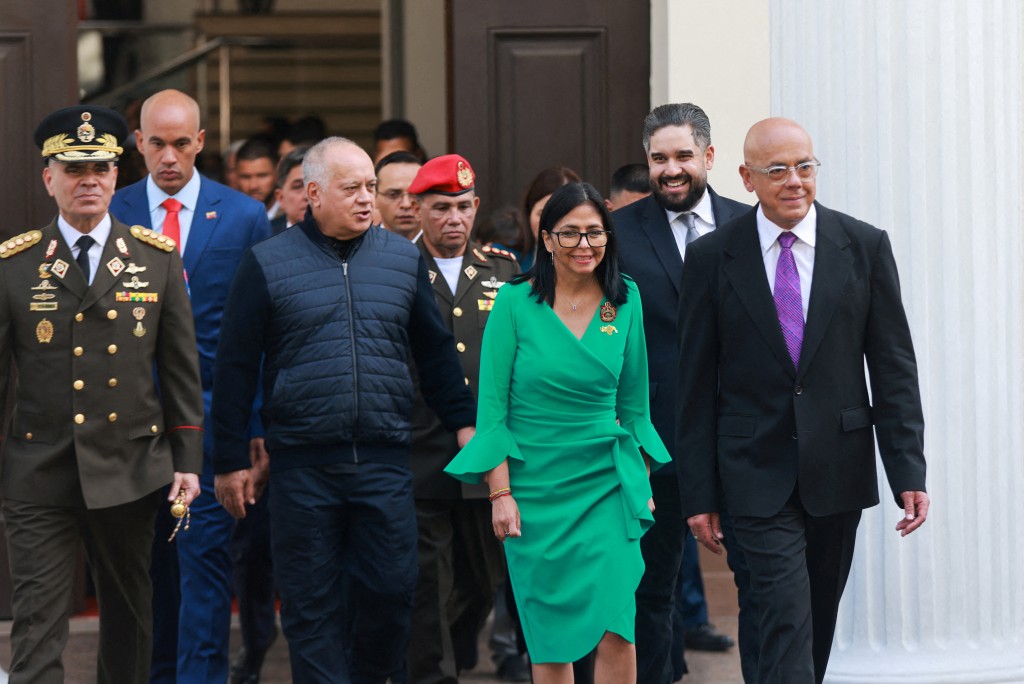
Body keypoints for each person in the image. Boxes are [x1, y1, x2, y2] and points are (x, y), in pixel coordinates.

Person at [210, 137, 478, 683]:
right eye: (351, 187)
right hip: (303, 467)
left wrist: (465, 425)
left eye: (371, 188)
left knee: (391, 593)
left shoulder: (402, 261)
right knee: (312, 609)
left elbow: (434, 354)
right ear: (312, 193)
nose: (366, 199)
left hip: (383, 462)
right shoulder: (267, 262)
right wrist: (229, 458)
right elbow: (234, 366)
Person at [678, 117, 929, 684]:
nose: (794, 181)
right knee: (784, 610)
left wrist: (907, 469)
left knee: (810, 620)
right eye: (777, 170)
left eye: (805, 166)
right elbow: (693, 383)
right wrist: (699, 492)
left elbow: (893, 369)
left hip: (836, 469)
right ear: (747, 177)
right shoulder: (714, 256)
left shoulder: (862, 246)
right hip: (751, 473)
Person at [0, 105, 203, 682]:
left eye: (101, 168)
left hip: (130, 464)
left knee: (130, 614)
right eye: (73, 168)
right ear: (49, 177)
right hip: (39, 468)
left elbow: (180, 367)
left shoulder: (154, 258)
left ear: (118, 175)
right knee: (37, 619)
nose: (88, 180)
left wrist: (187, 457)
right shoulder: (14, 266)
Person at [446, 181, 670, 684]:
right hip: (534, 489)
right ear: (546, 239)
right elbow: (493, 413)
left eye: (594, 232)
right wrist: (499, 493)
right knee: (549, 635)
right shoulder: (514, 301)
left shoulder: (625, 298)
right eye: (570, 234)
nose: (584, 245)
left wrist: (642, 483)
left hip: (607, 484)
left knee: (618, 628)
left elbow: (634, 408)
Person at [108, 88, 272, 684]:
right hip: (126, 429)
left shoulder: (242, 216)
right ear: (139, 144)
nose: (170, 157)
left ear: (201, 141)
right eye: (157, 144)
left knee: (203, 568)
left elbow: (257, 333)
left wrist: (253, 428)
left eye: (182, 143)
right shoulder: (114, 210)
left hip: (208, 423)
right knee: (142, 571)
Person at [613, 102, 756, 683]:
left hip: (748, 442)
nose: (671, 169)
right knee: (652, 590)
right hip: (657, 444)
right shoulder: (617, 233)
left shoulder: (752, 226)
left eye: (683, 156)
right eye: (658, 158)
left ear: (709, 157)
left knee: (764, 591)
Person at [403, 155, 519, 683]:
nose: (455, 218)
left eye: (464, 206)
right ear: (418, 208)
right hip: (420, 448)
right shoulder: (394, 267)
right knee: (429, 581)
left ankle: (440, 655)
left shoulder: (504, 270)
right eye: (442, 207)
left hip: (485, 454)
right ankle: (432, 672)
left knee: (480, 581)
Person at [518, 166, 581, 271]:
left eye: (562, 215)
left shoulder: (590, 260)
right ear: (529, 212)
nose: (551, 223)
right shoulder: (506, 262)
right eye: (542, 214)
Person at [375, 150, 423, 239]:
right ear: (375, 198)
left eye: (416, 195)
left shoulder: (445, 249)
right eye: (393, 195)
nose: (406, 204)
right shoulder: (357, 249)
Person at [236, 136, 281, 219]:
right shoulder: (228, 218)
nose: (253, 186)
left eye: (262, 176)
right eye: (246, 177)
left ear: (277, 172)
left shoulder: (294, 216)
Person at [271, 144, 310, 233]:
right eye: (298, 187)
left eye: (315, 187)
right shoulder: (263, 237)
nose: (307, 196)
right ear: (281, 197)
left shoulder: (345, 238)